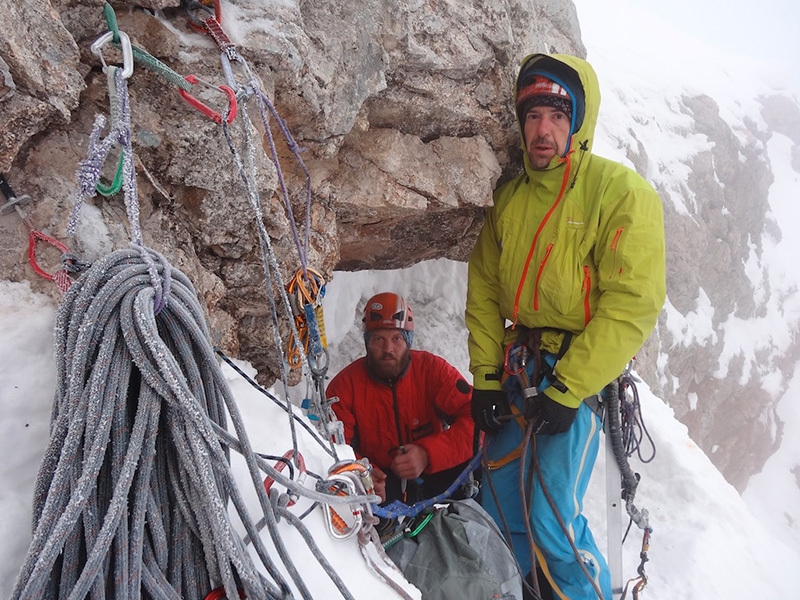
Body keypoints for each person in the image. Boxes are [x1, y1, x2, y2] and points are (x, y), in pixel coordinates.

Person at [466, 53, 666, 600]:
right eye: (532, 116)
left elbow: (633, 302)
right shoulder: (509, 201)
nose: (542, 130)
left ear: (577, 121)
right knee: (499, 509)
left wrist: (570, 387)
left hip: (574, 378)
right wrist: (485, 375)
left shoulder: (619, 193)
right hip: (519, 369)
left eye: (556, 114)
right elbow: (484, 289)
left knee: (552, 519)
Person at [326, 292, 475, 505]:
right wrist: (363, 474)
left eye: (396, 338)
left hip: (437, 475)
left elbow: (476, 419)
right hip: (382, 485)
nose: (388, 349)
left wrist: (427, 454)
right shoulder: (344, 387)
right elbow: (330, 448)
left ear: (408, 341)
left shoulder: (433, 371)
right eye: (378, 339)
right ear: (367, 342)